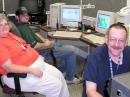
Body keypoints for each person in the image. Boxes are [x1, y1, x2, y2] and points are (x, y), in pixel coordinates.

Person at [0, 13, 69, 97]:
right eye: (0, 25)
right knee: (55, 86)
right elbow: (9, 67)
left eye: (5, 24)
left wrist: (36, 56)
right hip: (19, 75)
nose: (4, 27)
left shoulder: (9, 35)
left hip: (35, 65)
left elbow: (25, 46)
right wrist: (31, 70)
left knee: (59, 76)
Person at [15, 7, 80, 84]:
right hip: (42, 51)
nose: (26, 17)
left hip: (44, 47)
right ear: (17, 17)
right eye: (23, 15)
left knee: (63, 46)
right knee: (72, 51)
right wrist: (46, 44)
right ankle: (69, 78)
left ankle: (63, 72)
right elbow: (35, 46)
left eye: (27, 15)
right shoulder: (22, 28)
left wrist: (44, 40)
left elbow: (36, 34)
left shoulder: (22, 26)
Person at [82, 23, 130, 97]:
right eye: (113, 39)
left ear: (126, 42)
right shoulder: (95, 57)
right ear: (106, 39)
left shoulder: (128, 53)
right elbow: (90, 91)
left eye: (121, 40)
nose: (116, 44)